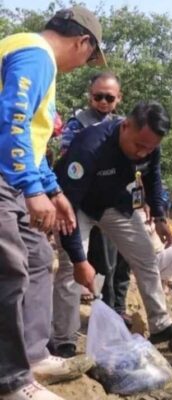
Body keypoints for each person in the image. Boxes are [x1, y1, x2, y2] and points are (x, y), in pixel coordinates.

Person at [0, 6, 106, 400]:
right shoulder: (35, 53)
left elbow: (32, 140)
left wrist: (54, 191)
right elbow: (10, 121)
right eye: (89, 57)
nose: (83, 66)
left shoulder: (34, 59)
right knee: (9, 270)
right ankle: (10, 381)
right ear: (82, 42)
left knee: (40, 259)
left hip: (13, 176)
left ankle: (33, 353)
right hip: (6, 179)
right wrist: (32, 189)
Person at [52, 101, 172, 360]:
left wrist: (161, 215)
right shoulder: (90, 146)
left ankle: (161, 324)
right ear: (125, 126)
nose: (142, 153)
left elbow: (152, 177)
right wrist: (79, 259)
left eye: (149, 148)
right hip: (75, 205)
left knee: (146, 257)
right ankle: (63, 341)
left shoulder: (150, 146)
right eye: (139, 145)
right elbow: (68, 208)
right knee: (69, 270)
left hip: (113, 204)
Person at [55, 72, 131, 340]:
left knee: (116, 262)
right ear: (90, 96)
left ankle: (113, 311)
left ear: (118, 99)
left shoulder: (124, 126)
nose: (102, 102)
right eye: (97, 96)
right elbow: (69, 163)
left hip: (110, 202)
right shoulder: (77, 125)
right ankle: (64, 336)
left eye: (108, 97)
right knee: (73, 266)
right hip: (79, 200)